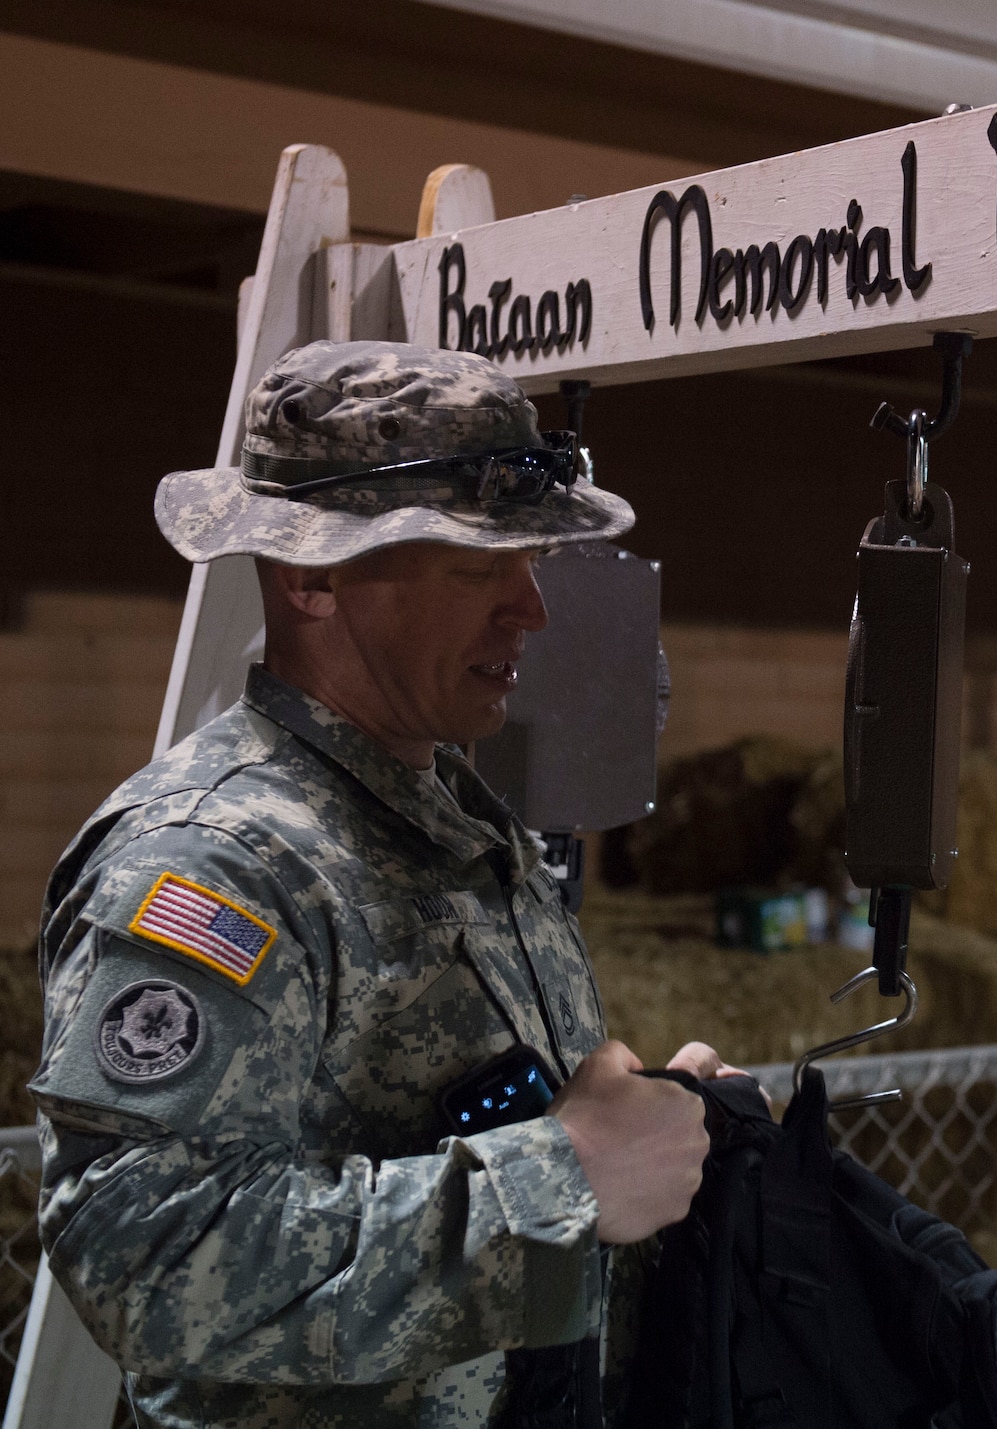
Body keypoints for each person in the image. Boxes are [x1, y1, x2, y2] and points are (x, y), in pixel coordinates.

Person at [30, 340, 731, 1427]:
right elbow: (144, 1253)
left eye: (531, 561)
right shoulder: (219, 859)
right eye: (473, 568)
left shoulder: (441, 810)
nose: (531, 611)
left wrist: (652, 1129)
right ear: (311, 574)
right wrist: (564, 1175)